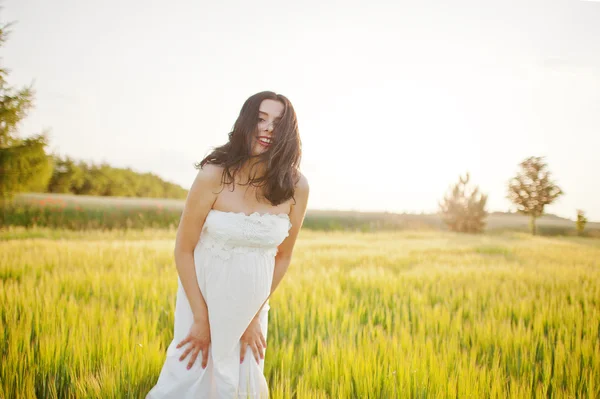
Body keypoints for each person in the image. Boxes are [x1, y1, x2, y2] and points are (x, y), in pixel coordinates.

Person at [146, 91, 309, 398]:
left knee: (240, 383)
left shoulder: (297, 186)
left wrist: (252, 317)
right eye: (261, 119)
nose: (268, 129)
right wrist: (201, 319)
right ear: (246, 122)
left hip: (252, 306)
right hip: (202, 300)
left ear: (289, 132)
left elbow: (283, 256)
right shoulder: (214, 175)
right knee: (188, 379)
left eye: (278, 122)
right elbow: (183, 249)